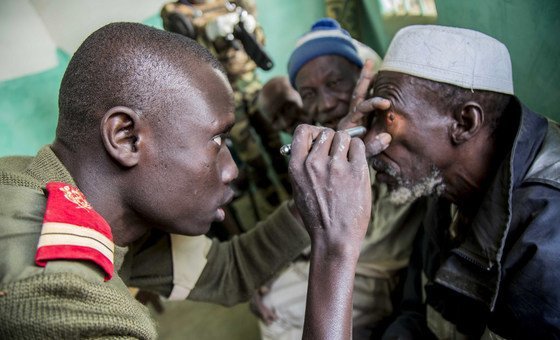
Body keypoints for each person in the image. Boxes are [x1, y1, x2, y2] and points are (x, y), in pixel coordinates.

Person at [0, 22, 370, 339]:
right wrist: (336, 248)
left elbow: (231, 270)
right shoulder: (54, 289)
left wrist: (316, 200)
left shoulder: (78, 202)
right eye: (217, 141)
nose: (232, 169)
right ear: (126, 137)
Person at [344, 25, 560, 338]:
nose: (372, 140)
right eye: (371, 120)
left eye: (389, 118)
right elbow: (417, 311)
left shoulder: (548, 231)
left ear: (464, 123)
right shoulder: (443, 190)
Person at [252, 18, 427, 340]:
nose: (327, 102)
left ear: (362, 78)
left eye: (335, 83)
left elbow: (362, 243)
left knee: (277, 320)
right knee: (270, 301)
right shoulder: (335, 143)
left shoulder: (395, 136)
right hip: (344, 260)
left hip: (374, 272)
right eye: (310, 93)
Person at [161, 0, 284, 232]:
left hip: (253, 86)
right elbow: (188, 59)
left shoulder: (232, 3)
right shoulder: (178, 13)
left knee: (276, 143)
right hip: (225, 97)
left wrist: (247, 23)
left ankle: (294, 199)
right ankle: (276, 218)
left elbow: (259, 43)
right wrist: (208, 35)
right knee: (252, 158)